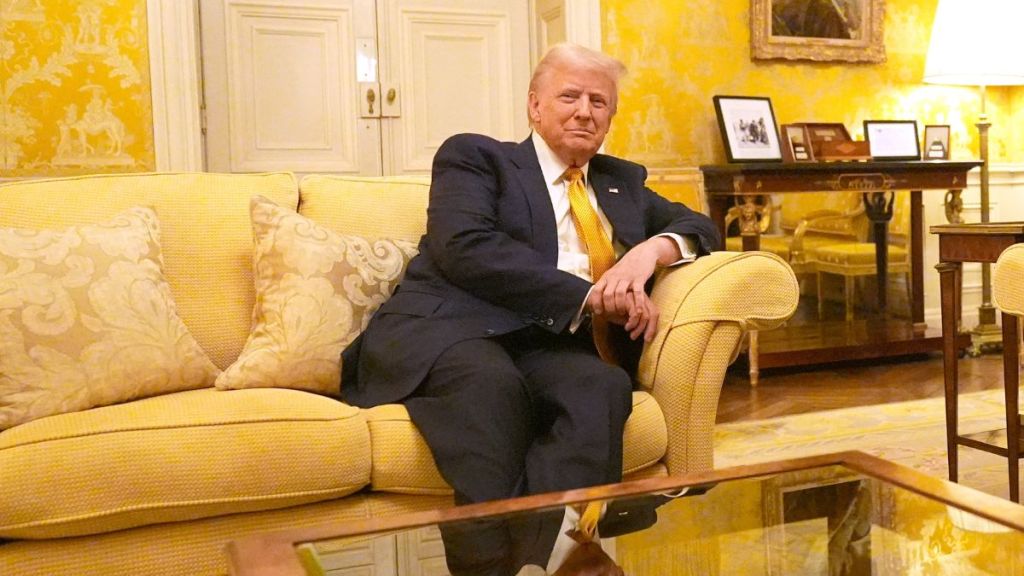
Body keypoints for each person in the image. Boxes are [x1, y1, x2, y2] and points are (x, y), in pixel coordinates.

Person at [340, 43, 720, 574]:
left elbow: (703, 228)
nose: (585, 111)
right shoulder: (478, 158)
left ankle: (552, 560)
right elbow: (465, 247)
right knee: (490, 386)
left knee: (602, 387)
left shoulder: (620, 182)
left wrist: (648, 253)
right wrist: (588, 295)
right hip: (453, 331)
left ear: (610, 118)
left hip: (546, 343)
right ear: (535, 107)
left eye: (599, 101)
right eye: (569, 96)